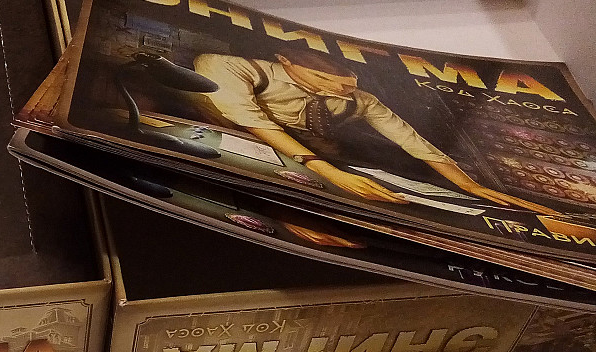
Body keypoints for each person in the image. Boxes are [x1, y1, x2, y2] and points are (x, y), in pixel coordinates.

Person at [194, 48, 555, 213]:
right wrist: (331, 173)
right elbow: (251, 119)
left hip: (311, 155)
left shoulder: (358, 99)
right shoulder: (227, 65)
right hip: (229, 140)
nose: (340, 90)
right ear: (284, 61)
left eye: (347, 83)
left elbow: (409, 138)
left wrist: (469, 185)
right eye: (324, 79)